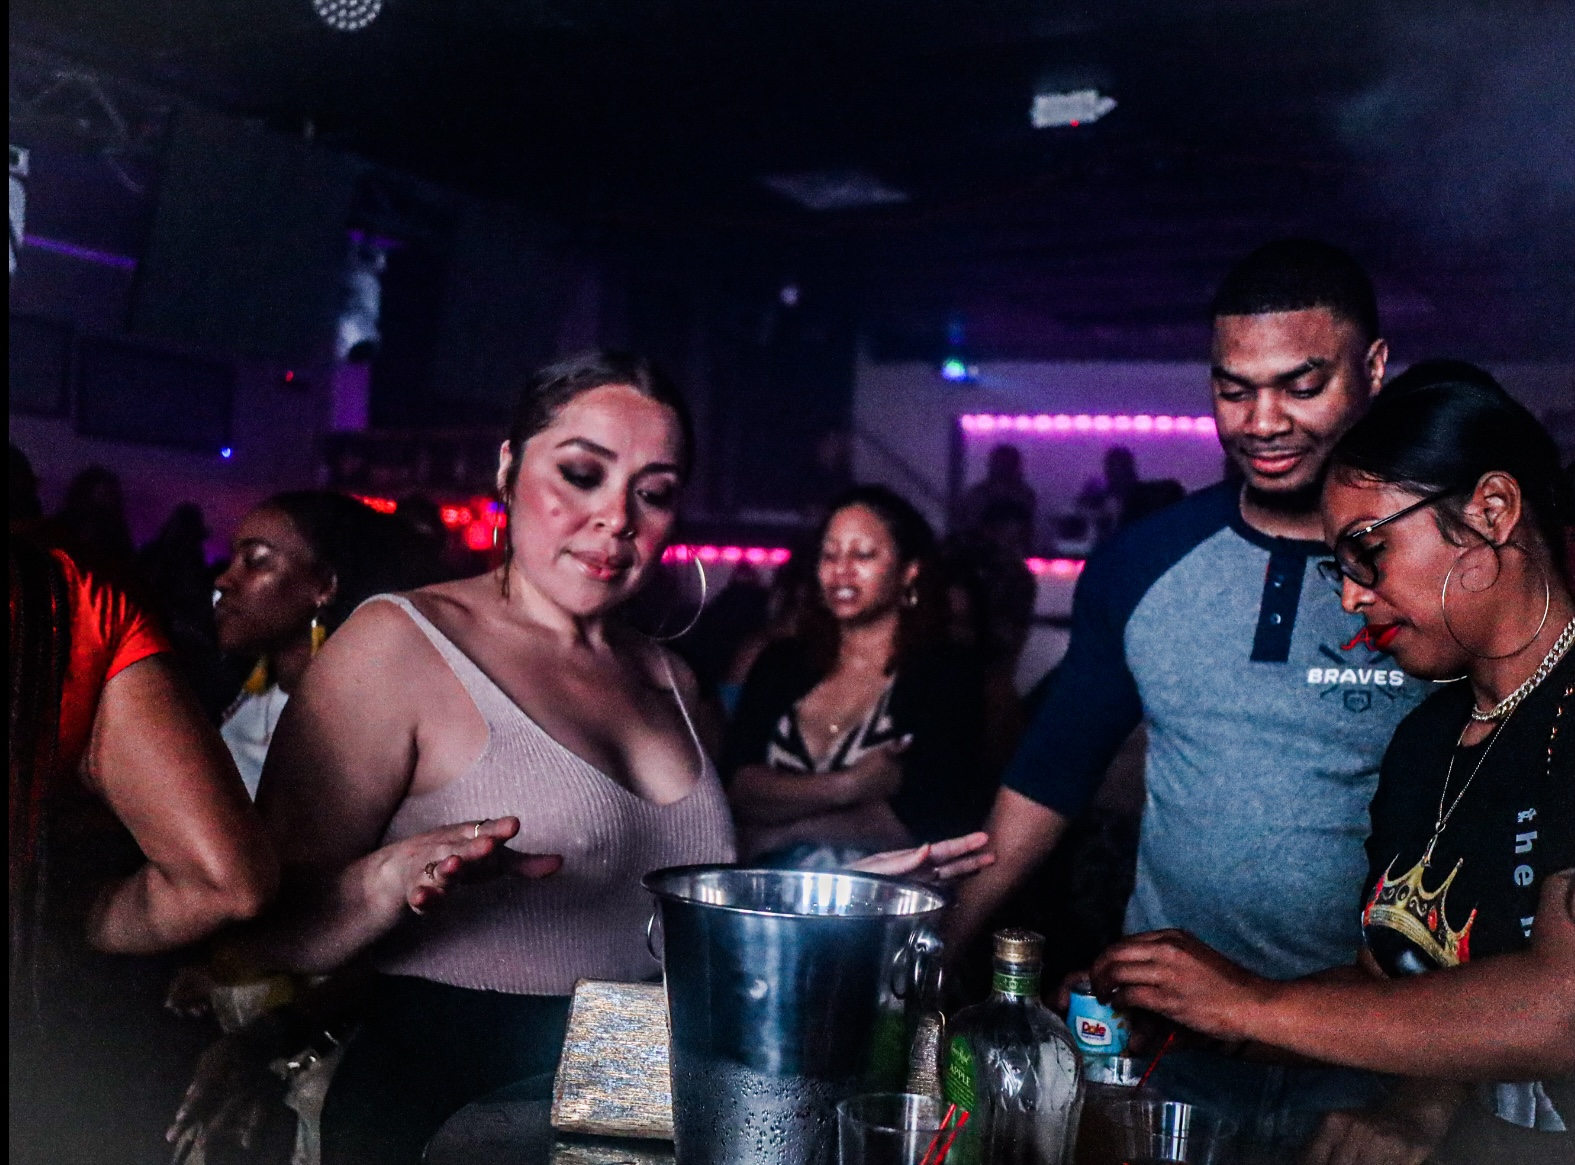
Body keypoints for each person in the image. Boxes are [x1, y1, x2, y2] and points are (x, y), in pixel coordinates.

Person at [201, 352, 988, 1165]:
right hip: (447, 1098)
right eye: (582, 474)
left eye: (653, 492)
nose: (616, 517)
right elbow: (263, 930)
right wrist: (385, 881)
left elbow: (684, 898)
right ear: (508, 468)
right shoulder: (398, 642)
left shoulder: (671, 677)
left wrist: (835, 895)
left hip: (640, 1092)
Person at [946, 239, 1428, 1159]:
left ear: (1372, 368)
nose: (1262, 421)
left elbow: (1502, 846)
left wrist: (1425, 1097)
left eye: (1300, 385)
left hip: (1373, 1059)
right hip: (1168, 1059)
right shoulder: (1144, 563)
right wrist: (919, 963)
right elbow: (1046, 783)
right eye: (1233, 389)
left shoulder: (1431, 564)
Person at [1092, 373, 1574, 1164]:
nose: (1350, 598)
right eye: (1339, 565)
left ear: (1491, 510)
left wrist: (1251, 1005)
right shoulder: (1425, 741)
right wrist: (1195, 1008)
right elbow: (1388, 996)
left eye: (1369, 551)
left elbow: (1561, 1009)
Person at [9, 534, 277, 1165]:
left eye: (258, 560)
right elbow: (223, 882)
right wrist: (53, 916)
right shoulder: (71, 599)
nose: (225, 578)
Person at [724, 485, 999, 866]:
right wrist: (851, 786)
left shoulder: (945, 675)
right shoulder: (781, 663)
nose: (841, 570)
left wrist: (786, 830)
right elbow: (739, 790)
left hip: (882, 896)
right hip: (766, 894)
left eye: (863, 554)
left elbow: (929, 821)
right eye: (830, 554)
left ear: (909, 570)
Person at [213, 491, 419, 797]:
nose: (223, 580)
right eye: (233, 560)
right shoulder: (242, 696)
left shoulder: (357, 726)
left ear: (324, 586)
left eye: (255, 561)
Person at [953, 443, 1038, 541]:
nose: (1003, 468)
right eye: (1001, 463)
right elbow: (969, 526)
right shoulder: (978, 494)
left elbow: (1027, 529)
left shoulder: (1025, 495)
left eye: (1007, 464)